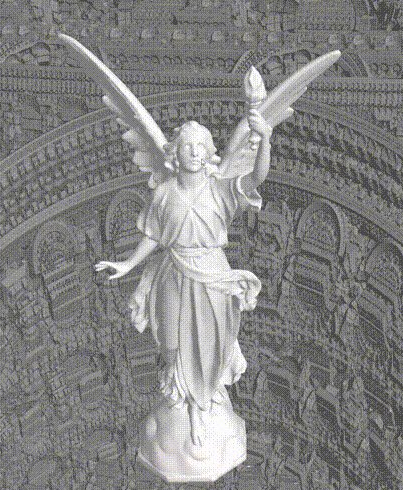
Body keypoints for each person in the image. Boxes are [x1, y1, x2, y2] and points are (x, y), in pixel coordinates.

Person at [95, 110, 271, 447]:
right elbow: (154, 235)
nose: (193, 151)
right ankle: (182, 396)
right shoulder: (164, 192)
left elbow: (257, 177)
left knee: (211, 341)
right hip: (174, 272)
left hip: (212, 275)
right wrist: (128, 265)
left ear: (209, 152)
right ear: (175, 152)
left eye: (200, 146)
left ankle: (202, 404)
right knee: (172, 340)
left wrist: (265, 139)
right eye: (187, 145)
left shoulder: (222, 189)